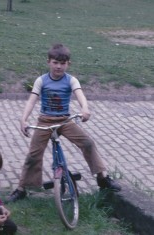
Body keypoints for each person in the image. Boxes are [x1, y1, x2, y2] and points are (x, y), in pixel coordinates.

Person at [7, 43, 121, 202]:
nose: (58, 67)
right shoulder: (41, 80)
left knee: (87, 143)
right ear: (48, 62)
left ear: (68, 64)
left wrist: (85, 108)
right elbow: (32, 101)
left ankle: (103, 178)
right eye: (55, 62)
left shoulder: (71, 80)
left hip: (65, 121)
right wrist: (23, 119)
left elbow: (80, 95)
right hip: (45, 121)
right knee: (33, 155)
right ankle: (22, 188)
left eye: (62, 63)